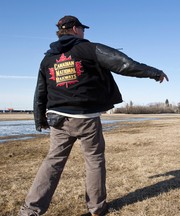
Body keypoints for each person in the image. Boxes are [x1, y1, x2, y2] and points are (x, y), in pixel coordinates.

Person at [18, 15, 168, 216]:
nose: (84, 32)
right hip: (86, 118)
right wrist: (153, 72)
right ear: (73, 29)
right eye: (82, 29)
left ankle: (30, 210)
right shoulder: (88, 49)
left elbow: (40, 91)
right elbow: (122, 63)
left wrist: (40, 119)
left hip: (58, 119)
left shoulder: (47, 58)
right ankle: (97, 208)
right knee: (94, 160)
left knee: (52, 162)